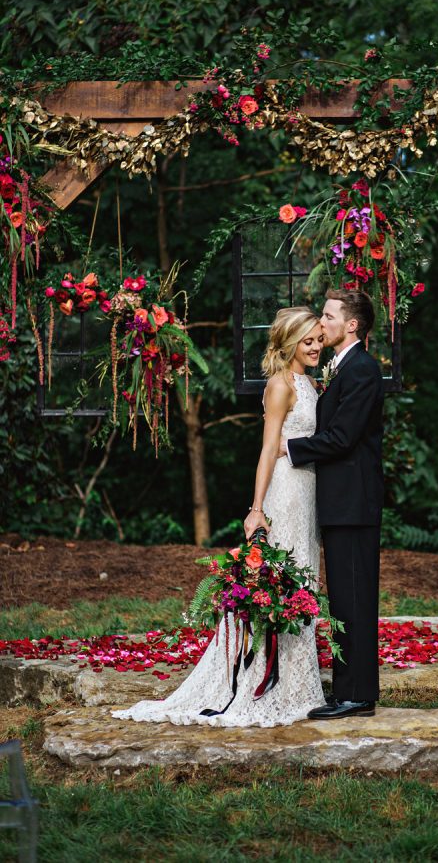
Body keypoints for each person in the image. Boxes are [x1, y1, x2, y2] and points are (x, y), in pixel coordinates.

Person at [112, 306, 326, 728]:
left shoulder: (310, 381)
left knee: (304, 578)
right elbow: (267, 449)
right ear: (289, 343)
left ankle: (298, 685)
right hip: (285, 490)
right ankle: (264, 684)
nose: (317, 346)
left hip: (309, 492)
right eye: (308, 340)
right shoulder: (281, 385)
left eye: (319, 338)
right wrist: (257, 507)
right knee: (283, 582)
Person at [280, 289, 384, 720]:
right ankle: (351, 690)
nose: (321, 323)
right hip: (342, 502)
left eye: (328, 316)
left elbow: (342, 438)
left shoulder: (362, 370)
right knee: (344, 597)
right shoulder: (344, 367)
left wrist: (288, 448)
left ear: (352, 325)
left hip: (353, 503)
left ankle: (356, 695)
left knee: (354, 598)